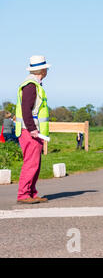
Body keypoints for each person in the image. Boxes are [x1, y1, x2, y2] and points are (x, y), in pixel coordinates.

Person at [15, 55, 51, 204]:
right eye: (46, 69)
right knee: (31, 163)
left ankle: (31, 193)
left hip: (32, 131)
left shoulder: (34, 84)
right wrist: (31, 129)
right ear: (42, 70)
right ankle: (23, 194)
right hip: (30, 131)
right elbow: (26, 109)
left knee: (35, 163)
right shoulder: (31, 86)